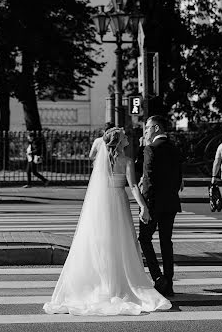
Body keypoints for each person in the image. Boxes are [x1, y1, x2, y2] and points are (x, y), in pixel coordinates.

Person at [43, 127, 171, 316]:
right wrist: (143, 206)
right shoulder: (126, 161)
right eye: (124, 136)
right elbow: (134, 187)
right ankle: (118, 284)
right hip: (119, 203)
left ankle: (104, 284)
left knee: (103, 244)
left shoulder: (101, 163)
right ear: (119, 142)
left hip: (102, 205)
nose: (127, 137)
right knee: (121, 243)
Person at [138, 115, 183, 298]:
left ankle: (158, 277)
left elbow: (148, 179)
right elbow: (179, 178)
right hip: (171, 202)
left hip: (154, 203)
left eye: (148, 128)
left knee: (144, 239)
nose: (146, 131)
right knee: (166, 242)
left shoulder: (151, 149)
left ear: (156, 128)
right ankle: (169, 283)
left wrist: (145, 205)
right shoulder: (174, 149)